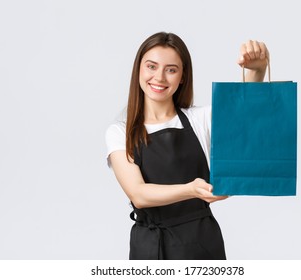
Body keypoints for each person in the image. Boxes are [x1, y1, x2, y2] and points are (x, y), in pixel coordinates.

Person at [105, 32, 269, 260]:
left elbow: (242, 116)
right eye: (151, 66)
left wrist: (257, 70)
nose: (159, 77)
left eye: (171, 70)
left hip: (201, 244)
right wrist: (191, 189)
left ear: (182, 77)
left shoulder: (199, 119)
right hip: (150, 248)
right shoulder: (120, 132)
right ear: (139, 70)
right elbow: (139, 194)